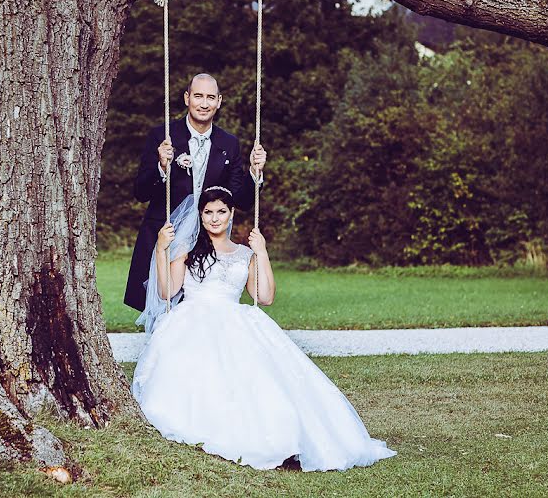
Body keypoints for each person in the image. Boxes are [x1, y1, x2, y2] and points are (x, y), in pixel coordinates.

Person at [132, 187, 397, 471]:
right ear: (200, 215)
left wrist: (262, 252)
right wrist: (161, 249)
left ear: (232, 214)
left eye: (221, 211)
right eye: (208, 212)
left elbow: (266, 296)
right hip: (192, 318)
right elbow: (166, 291)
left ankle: (280, 438)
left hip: (233, 318)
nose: (214, 218)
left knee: (258, 378)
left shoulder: (245, 253)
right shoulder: (187, 251)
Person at [124, 73, 266, 313]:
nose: (204, 103)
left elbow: (240, 199)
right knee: (163, 304)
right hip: (166, 233)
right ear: (187, 98)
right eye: (198, 96)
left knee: (197, 308)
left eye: (210, 97)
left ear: (219, 101)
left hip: (207, 239)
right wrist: (162, 166)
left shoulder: (228, 143)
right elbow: (141, 191)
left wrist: (255, 173)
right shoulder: (163, 136)